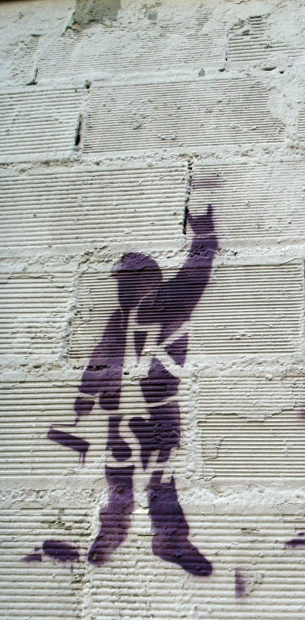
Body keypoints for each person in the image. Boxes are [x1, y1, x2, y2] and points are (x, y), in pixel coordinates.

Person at [48, 205, 218, 576]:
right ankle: (111, 533)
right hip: (120, 414)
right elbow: (99, 358)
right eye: (122, 282)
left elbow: (194, 276)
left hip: (159, 408)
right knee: (119, 476)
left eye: (133, 280)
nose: (126, 287)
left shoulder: (169, 306)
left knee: (162, 476)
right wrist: (83, 400)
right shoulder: (118, 319)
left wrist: (204, 239)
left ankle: (169, 538)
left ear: (152, 282)